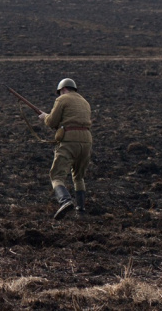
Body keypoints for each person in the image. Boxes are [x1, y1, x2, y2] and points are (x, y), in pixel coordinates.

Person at [39, 78, 92, 219]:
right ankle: (80, 210)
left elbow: (52, 121)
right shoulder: (85, 102)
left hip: (69, 140)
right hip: (87, 140)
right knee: (79, 176)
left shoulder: (62, 99)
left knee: (56, 175)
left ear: (62, 90)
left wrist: (44, 117)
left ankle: (65, 201)